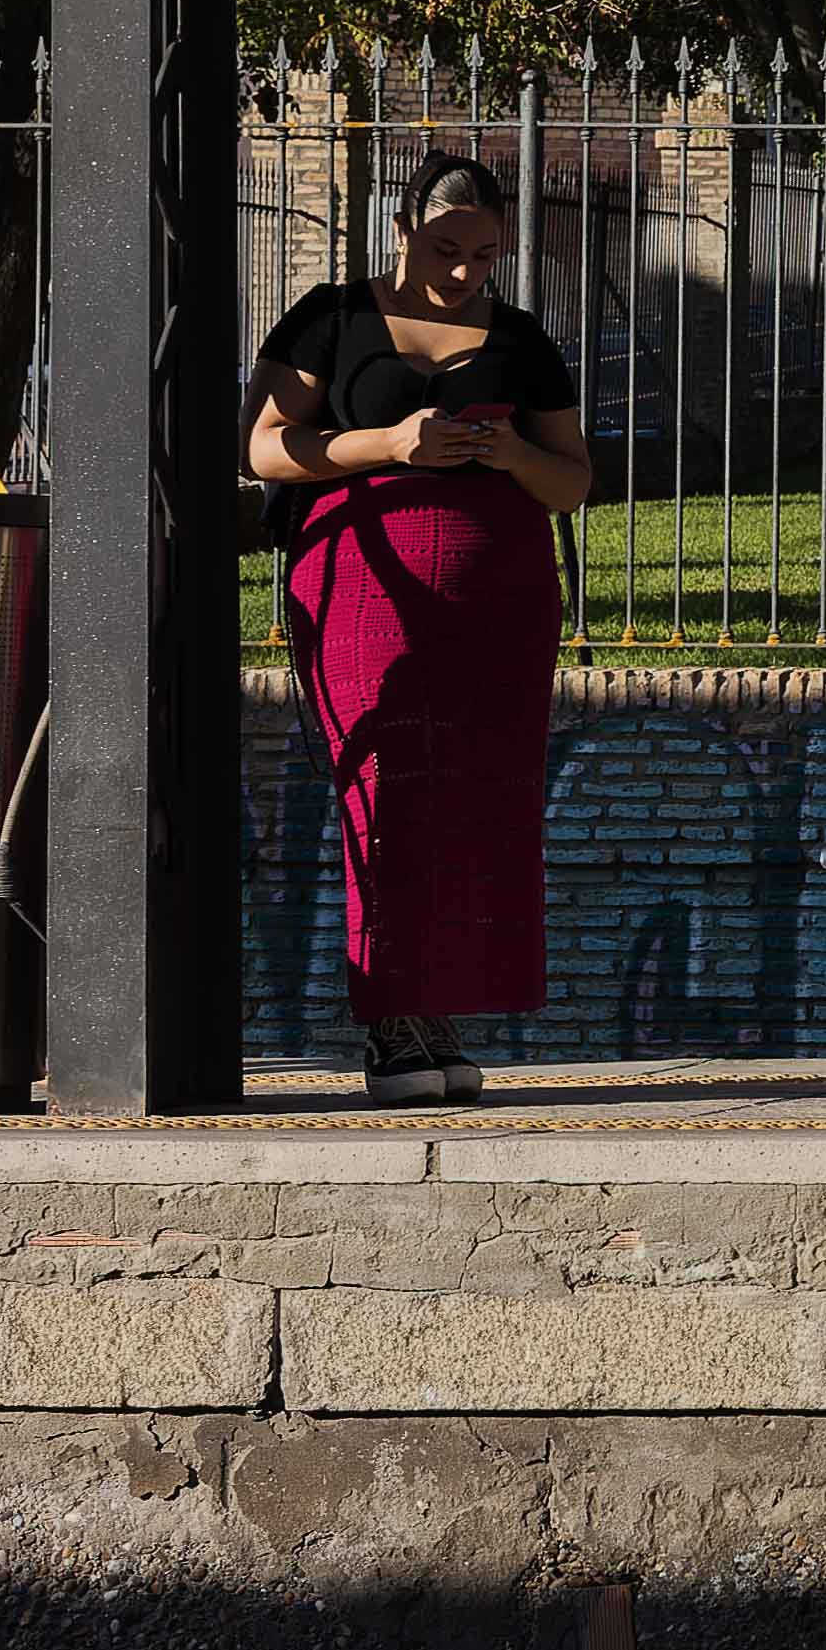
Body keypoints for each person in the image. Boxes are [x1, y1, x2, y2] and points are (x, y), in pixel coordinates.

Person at [249, 152, 595, 1108]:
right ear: (400, 230)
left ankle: (441, 1014)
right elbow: (265, 445)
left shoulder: (520, 338)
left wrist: (511, 448)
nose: (462, 273)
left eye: (484, 256)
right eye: (446, 250)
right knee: (386, 791)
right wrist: (393, 444)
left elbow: (573, 482)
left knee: (480, 803)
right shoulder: (332, 317)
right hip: (368, 579)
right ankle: (392, 1023)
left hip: (501, 590)